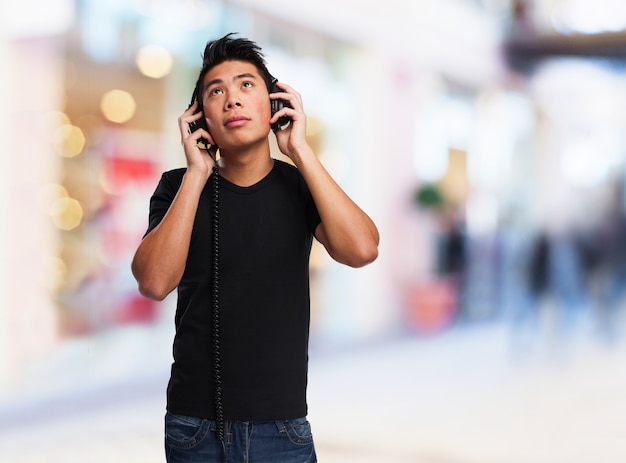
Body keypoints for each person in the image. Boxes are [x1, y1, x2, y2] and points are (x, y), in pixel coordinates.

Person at [131, 33, 379, 463]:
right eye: (216, 91)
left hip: (281, 427)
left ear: (276, 105)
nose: (232, 99)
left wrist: (300, 149)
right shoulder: (177, 186)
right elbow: (153, 282)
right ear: (198, 119)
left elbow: (361, 250)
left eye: (246, 85)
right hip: (194, 428)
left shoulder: (301, 187)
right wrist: (196, 174)